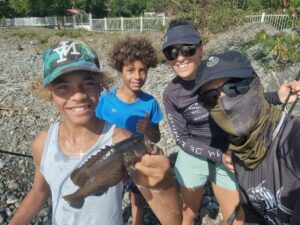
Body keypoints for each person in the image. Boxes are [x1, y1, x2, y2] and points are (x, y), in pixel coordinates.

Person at [8, 40, 182, 225]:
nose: (78, 95)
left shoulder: (122, 140)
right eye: (63, 87)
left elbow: (171, 220)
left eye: (88, 83)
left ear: (101, 87)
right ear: (50, 94)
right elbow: (39, 191)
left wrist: (165, 185)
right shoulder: (42, 143)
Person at [161, 18, 296, 225]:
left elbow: (242, 98)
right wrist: (217, 155)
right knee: (188, 213)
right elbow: (181, 138)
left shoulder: (218, 70)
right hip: (196, 150)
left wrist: (277, 97)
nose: (180, 58)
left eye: (187, 49)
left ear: (200, 49)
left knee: (237, 217)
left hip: (230, 147)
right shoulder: (171, 93)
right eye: (171, 52)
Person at [194, 50, 300, 224]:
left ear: (256, 84)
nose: (224, 103)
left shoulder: (293, 139)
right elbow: (254, 215)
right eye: (210, 97)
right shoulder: (240, 155)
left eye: (234, 87)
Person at [95, 35, 163, 225]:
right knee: (109, 197)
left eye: (142, 71)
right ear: (120, 71)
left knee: (138, 198)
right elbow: (95, 132)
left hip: (137, 160)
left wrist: (149, 129)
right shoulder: (106, 99)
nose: (137, 76)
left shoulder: (150, 103)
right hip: (111, 160)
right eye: (131, 70)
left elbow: (156, 137)